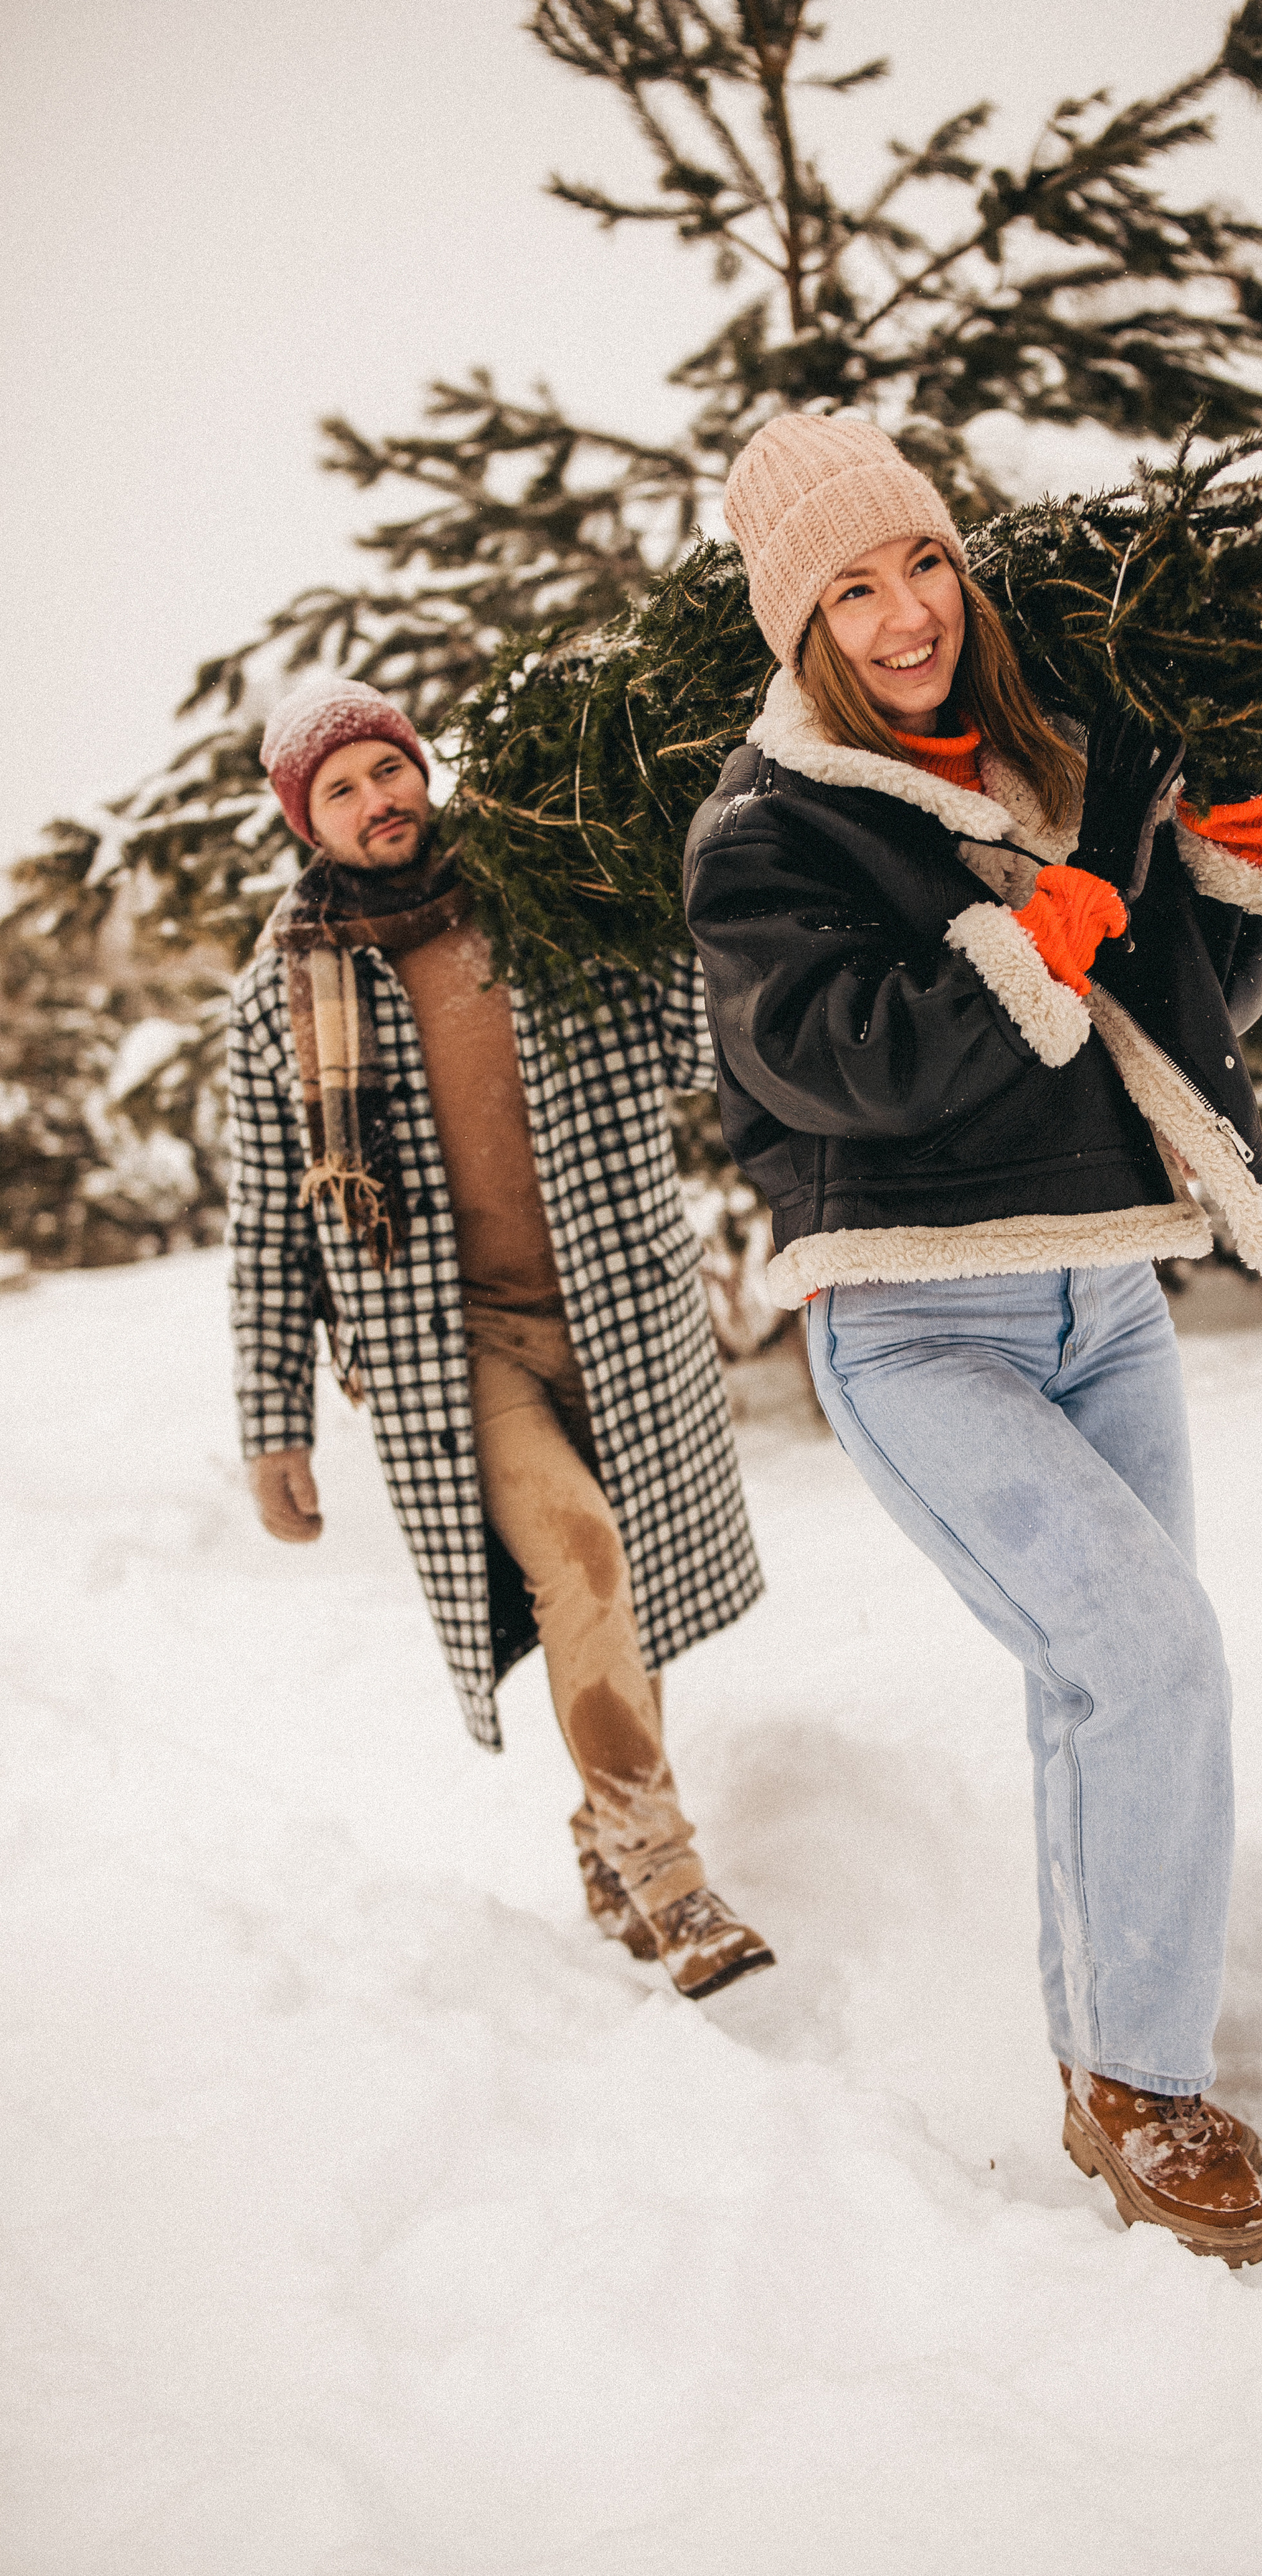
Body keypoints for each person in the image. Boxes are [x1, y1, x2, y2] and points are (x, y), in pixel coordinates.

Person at [685, 415, 1262, 2260]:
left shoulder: (1050, 758)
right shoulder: (764, 829)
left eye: (925, 566)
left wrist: (1229, 862)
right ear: (800, 624)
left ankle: (1102, 2055)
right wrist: (1025, 937)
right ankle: (1143, 2086)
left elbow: (1169, 1001)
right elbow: (846, 1061)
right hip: (918, 1324)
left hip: (1105, 1294)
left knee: (1105, 1683)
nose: (908, 616)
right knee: (1154, 1655)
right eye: (854, 590)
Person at [229, 676, 774, 2000]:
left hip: (619, 1305)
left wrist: (652, 882)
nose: (377, 801)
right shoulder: (280, 996)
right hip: (453, 1347)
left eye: (387, 769)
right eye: (341, 790)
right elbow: (268, 1226)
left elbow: (695, 1045)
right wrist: (273, 1427)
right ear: (307, 821)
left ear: (421, 768)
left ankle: (604, 1828)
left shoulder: (543, 891)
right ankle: (669, 1880)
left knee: (627, 1589)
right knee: (582, 1558)